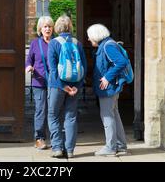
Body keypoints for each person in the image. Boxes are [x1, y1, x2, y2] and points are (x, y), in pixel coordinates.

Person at [48, 15, 87, 158]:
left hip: (57, 86)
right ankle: (70, 150)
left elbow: (52, 69)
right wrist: (76, 86)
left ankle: (57, 148)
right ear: (70, 27)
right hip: (74, 86)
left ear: (57, 27)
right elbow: (84, 66)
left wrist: (62, 86)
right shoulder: (78, 43)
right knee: (70, 117)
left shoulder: (54, 43)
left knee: (53, 115)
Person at [87, 23, 128, 156]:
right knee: (114, 115)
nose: (88, 39)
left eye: (90, 36)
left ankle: (110, 147)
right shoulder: (107, 44)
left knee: (107, 116)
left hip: (109, 88)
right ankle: (121, 145)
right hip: (111, 88)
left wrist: (107, 77)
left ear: (96, 36)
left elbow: (121, 62)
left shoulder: (108, 46)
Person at [25, 16, 54, 150]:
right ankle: (39, 138)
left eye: (49, 26)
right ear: (40, 29)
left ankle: (56, 138)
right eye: (45, 26)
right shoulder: (35, 43)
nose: (47, 29)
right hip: (39, 82)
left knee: (54, 111)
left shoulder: (56, 43)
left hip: (55, 83)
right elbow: (29, 60)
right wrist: (28, 67)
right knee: (41, 110)